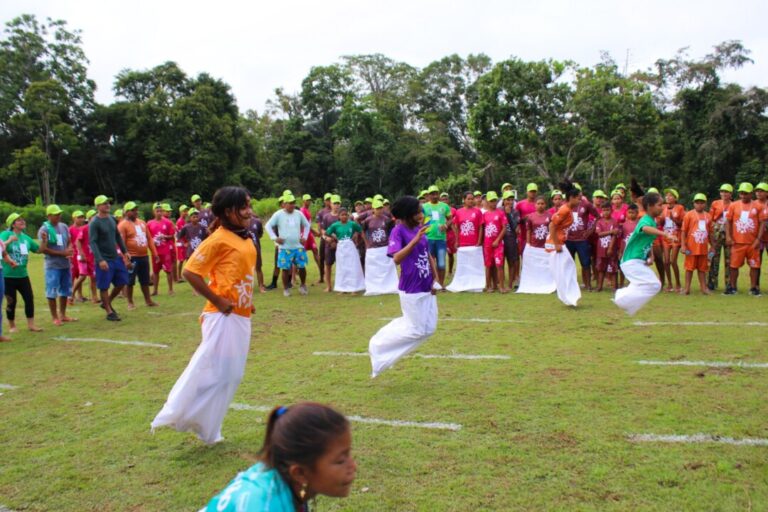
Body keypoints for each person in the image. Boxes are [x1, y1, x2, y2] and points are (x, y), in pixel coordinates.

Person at [152, 186, 257, 445]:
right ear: (229, 211)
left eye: (249, 206)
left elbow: (238, 273)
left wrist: (247, 301)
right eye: (244, 207)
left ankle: (208, 429)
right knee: (214, 370)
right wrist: (218, 300)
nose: (249, 211)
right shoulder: (218, 239)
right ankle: (178, 413)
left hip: (240, 315)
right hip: (222, 316)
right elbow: (190, 272)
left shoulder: (244, 237)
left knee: (230, 375)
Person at [204, 403, 356, 511]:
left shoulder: (280, 474)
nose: (353, 466)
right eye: (340, 461)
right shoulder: (265, 505)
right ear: (300, 473)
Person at [368, 196, 438, 377]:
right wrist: (414, 240)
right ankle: (378, 343)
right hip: (411, 287)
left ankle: (387, 348)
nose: (421, 214)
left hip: (426, 284)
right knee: (416, 330)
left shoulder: (418, 229)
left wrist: (435, 276)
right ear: (408, 214)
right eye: (418, 212)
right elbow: (397, 258)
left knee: (429, 329)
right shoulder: (398, 231)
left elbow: (426, 252)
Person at [613, 192, 677, 316]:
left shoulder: (652, 221)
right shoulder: (646, 220)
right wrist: (665, 234)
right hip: (630, 262)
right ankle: (621, 298)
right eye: (659, 205)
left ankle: (624, 300)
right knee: (655, 285)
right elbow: (644, 229)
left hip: (637, 261)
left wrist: (650, 255)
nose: (662, 207)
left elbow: (648, 240)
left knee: (653, 285)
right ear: (650, 206)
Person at [89, 195, 131, 321]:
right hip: (104, 258)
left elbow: (117, 236)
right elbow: (93, 242)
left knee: (122, 281)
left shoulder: (112, 219)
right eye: (104, 203)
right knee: (104, 286)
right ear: (97, 207)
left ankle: (107, 302)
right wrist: (100, 259)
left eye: (108, 203)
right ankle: (109, 311)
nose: (107, 205)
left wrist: (125, 251)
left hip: (115, 257)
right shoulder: (94, 223)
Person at [2, 213, 44, 333]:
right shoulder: (5, 234)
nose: (22, 222)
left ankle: (31, 325)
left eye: (22, 220)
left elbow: (39, 250)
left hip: (23, 275)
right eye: (19, 220)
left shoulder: (26, 238)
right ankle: (12, 326)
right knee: (11, 301)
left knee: (29, 298)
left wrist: (44, 241)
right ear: (13, 224)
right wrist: (10, 240)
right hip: (8, 275)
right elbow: (1, 247)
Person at [38, 204, 76, 326]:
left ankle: (63, 315)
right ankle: (55, 317)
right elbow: (43, 249)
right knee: (52, 291)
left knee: (65, 290)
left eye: (59, 214)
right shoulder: (44, 229)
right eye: (56, 214)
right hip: (52, 266)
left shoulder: (64, 226)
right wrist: (62, 253)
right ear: (49, 216)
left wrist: (69, 249)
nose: (59, 216)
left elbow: (69, 241)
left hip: (65, 264)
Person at [266, 193, 310, 297]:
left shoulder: (298, 213)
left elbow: (307, 225)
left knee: (302, 267)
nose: (292, 205)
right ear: (284, 204)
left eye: (294, 203)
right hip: (285, 248)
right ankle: (286, 289)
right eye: (290, 203)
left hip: (298, 247)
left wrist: (305, 237)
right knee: (285, 269)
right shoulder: (278, 214)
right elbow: (268, 226)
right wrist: (275, 238)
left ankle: (303, 285)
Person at [725, 182, 764, 296]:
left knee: (754, 266)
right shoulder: (734, 205)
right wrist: (728, 236)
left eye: (745, 193)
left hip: (752, 243)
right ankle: (732, 287)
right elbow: (728, 221)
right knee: (733, 266)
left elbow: (762, 223)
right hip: (737, 242)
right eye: (741, 193)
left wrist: (758, 239)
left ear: (751, 194)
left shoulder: (758, 206)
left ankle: (753, 288)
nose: (743, 196)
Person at [118, 201, 159, 310]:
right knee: (130, 281)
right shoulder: (122, 225)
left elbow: (149, 238)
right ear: (126, 212)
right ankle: (130, 302)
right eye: (132, 210)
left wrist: (154, 253)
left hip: (144, 256)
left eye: (136, 209)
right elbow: (121, 243)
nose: (136, 212)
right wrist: (126, 260)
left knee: (145, 280)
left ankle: (148, 300)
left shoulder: (142, 222)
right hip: (132, 257)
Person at [546, 182, 582, 306]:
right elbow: (552, 225)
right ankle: (568, 297)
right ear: (571, 198)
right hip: (555, 244)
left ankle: (569, 297)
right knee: (565, 270)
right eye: (578, 198)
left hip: (559, 242)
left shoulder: (568, 209)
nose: (580, 200)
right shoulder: (565, 209)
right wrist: (556, 244)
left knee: (568, 269)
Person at [447, 191, 485, 293]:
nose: (471, 200)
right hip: (463, 244)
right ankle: (464, 283)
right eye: (468, 199)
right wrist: (457, 239)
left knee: (475, 265)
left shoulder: (477, 212)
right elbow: (455, 226)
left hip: (474, 243)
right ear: (464, 200)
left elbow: (481, 227)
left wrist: (479, 240)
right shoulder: (459, 212)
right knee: (464, 265)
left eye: (472, 198)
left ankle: (476, 284)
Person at [517, 196, 555, 295]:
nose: (540, 205)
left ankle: (548, 284)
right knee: (534, 267)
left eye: (542, 203)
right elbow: (529, 231)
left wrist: (552, 243)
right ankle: (535, 283)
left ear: (545, 205)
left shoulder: (550, 216)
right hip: (534, 246)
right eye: (538, 203)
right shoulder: (530, 217)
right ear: (535, 205)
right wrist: (528, 244)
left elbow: (552, 231)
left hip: (546, 246)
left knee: (547, 266)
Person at [565, 186, 599, 291]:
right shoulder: (565, 205)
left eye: (580, 192)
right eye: (576, 193)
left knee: (585, 263)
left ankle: (588, 285)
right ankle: (569, 285)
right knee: (568, 263)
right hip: (568, 239)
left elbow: (598, 216)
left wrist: (590, 230)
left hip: (582, 240)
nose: (579, 194)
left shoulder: (586, 204)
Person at [680, 193, 715, 295]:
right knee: (689, 269)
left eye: (702, 203)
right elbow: (683, 231)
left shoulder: (708, 216)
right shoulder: (689, 215)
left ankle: (703, 288)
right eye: (697, 203)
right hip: (691, 248)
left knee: (702, 269)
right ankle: (687, 288)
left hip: (703, 248)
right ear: (693, 204)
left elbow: (710, 233)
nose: (699, 205)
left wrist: (712, 246)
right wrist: (683, 245)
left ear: (705, 204)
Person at [362, 199, 398, 296]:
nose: (379, 210)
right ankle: (374, 287)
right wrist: (366, 243)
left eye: (381, 208)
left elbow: (392, 231)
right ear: (373, 209)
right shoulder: (368, 220)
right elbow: (362, 230)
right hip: (373, 248)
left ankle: (389, 286)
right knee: (373, 269)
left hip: (384, 246)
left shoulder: (386, 219)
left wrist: (391, 243)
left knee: (388, 268)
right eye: (377, 208)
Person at [325, 209, 364, 294]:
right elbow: (327, 233)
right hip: (341, 247)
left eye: (346, 215)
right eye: (342, 215)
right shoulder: (335, 225)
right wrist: (333, 238)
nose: (344, 216)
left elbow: (360, 231)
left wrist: (356, 238)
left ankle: (354, 288)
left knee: (352, 266)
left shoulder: (352, 224)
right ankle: (343, 288)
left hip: (350, 246)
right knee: (342, 267)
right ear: (339, 216)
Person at [422, 185, 452, 289]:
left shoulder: (444, 206)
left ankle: (441, 284)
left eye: (436, 193)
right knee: (430, 263)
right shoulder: (424, 207)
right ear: (428, 195)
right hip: (428, 239)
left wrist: (446, 225)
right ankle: (431, 283)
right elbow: (420, 221)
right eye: (432, 194)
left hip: (441, 239)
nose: (435, 196)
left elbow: (450, 219)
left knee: (441, 264)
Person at [707, 183, 733, 290]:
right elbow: (710, 219)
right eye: (722, 191)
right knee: (713, 257)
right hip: (717, 232)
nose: (723, 193)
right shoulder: (715, 203)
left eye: (726, 191)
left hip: (729, 233)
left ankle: (729, 283)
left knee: (729, 259)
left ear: (731, 193)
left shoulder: (734, 204)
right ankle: (712, 282)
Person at [147, 203, 175, 296]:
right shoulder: (149, 223)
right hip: (155, 251)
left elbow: (172, 236)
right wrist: (152, 242)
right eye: (157, 211)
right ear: (153, 212)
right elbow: (148, 237)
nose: (159, 213)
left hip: (165, 250)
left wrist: (165, 236)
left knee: (168, 270)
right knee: (155, 271)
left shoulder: (168, 222)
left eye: (160, 211)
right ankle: (155, 290)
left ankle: (170, 289)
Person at [482, 191, 508, 293]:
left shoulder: (500, 213)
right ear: (487, 202)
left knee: (499, 265)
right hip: (487, 244)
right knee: (488, 265)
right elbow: (483, 228)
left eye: (495, 201)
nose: (493, 203)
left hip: (498, 244)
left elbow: (504, 228)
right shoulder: (485, 215)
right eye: (491, 201)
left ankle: (501, 286)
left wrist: (498, 240)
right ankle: (489, 285)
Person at [660, 189, 685, 292]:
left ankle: (678, 284)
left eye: (671, 196)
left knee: (673, 261)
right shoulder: (663, 207)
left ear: (675, 198)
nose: (668, 197)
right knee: (666, 261)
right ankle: (669, 284)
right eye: (667, 196)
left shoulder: (679, 208)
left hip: (675, 237)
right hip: (666, 237)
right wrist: (661, 219)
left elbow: (681, 224)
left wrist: (673, 218)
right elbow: (661, 224)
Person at [74, 210, 98, 304]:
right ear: (90, 218)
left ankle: (94, 297)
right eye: (94, 216)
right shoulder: (84, 228)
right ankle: (71, 294)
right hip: (84, 257)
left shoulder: (97, 229)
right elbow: (77, 241)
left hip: (93, 257)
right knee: (82, 276)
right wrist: (81, 253)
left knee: (93, 277)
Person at [594, 203, 619, 292]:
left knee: (613, 267)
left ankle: (614, 287)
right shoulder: (599, 222)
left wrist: (610, 248)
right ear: (601, 211)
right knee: (601, 268)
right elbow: (599, 234)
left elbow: (615, 236)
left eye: (607, 210)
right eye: (604, 210)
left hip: (612, 248)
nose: (606, 212)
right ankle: (599, 286)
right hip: (601, 249)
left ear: (611, 210)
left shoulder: (615, 221)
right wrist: (611, 231)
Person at [321, 196, 342, 292]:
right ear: (330, 204)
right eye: (334, 203)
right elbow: (322, 230)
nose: (336, 205)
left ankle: (342, 285)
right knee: (328, 265)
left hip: (342, 245)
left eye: (338, 203)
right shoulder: (326, 217)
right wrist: (327, 238)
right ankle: (329, 286)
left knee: (342, 265)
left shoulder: (344, 215)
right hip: (329, 244)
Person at [618, 204, 640, 288]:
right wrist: (620, 251)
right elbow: (622, 239)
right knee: (623, 266)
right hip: (625, 249)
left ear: (637, 213)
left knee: (635, 267)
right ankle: (621, 283)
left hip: (635, 249)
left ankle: (634, 283)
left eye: (633, 213)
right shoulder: (624, 225)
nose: (631, 214)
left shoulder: (640, 224)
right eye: (629, 212)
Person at [502, 190, 520, 289]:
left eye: (512, 199)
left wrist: (509, 214)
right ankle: (499, 283)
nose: (510, 202)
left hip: (511, 239)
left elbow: (515, 228)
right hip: (501, 239)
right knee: (500, 262)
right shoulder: (499, 210)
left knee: (511, 262)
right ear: (503, 200)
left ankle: (510, 284)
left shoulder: (515, 212)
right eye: (507, 200)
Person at [68, 211, 86, 304]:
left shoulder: (84, 228)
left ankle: (80, 295)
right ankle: (71, 295)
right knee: (72, 275)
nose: (81, 219)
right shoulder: (70, 229)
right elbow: (68, 242)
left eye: (82, 217)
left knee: (81, 275)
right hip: (74, 255)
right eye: (79, 217)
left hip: (82, 254)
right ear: (74, 218)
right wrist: (70, 254)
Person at [299, 194, 321, 274]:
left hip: (309, 235)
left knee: (315, 250)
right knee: (299, 254)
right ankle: (293, 278)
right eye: (307, 200)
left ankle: (322, 273)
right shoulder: (302, 210)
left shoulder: (307, 210)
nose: (309, 202)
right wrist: (315, 232)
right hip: (303, 235)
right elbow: (305, 225)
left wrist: (313, 233)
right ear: (303, 201)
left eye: (309, 200)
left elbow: (309, 224)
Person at [515, 183, 538, 255]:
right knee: (524, 255)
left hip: (535, 235)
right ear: (527, 192)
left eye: (534, 191)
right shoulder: (520, 204)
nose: (532, 193)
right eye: (531, 191)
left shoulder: (539, 204)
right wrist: (523, 219)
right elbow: (516, 219)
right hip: (523, 235)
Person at [247, 211, 266, 293]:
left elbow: (260, 234)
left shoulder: (257, 222)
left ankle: (261, 286)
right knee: (245, 268)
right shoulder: (239, 221)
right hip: (244, 248)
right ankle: (246, 287)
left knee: (258, 267)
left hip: (255, 247)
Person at [441, 192, 458, 275]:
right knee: (442, 254)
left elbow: (454, 223)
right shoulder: (438, 209)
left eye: (446, 199)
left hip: (451, 234)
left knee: (451, 253)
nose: (444, 201)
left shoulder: (453, 210)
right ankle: (442, 271)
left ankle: (450, 271)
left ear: (448, 200)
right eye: (443, 199)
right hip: (441, 234)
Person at [175, 205, 189, 281]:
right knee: (181, 260)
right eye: (184, 211)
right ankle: (179, 276)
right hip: (181, 243)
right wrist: (184, 243)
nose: (186, 213)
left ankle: (186, 275)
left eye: (187, 211)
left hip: (185, 243)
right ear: (180, 212)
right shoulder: (180, 221)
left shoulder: (185, 220)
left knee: (187, 258)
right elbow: (180, 235)